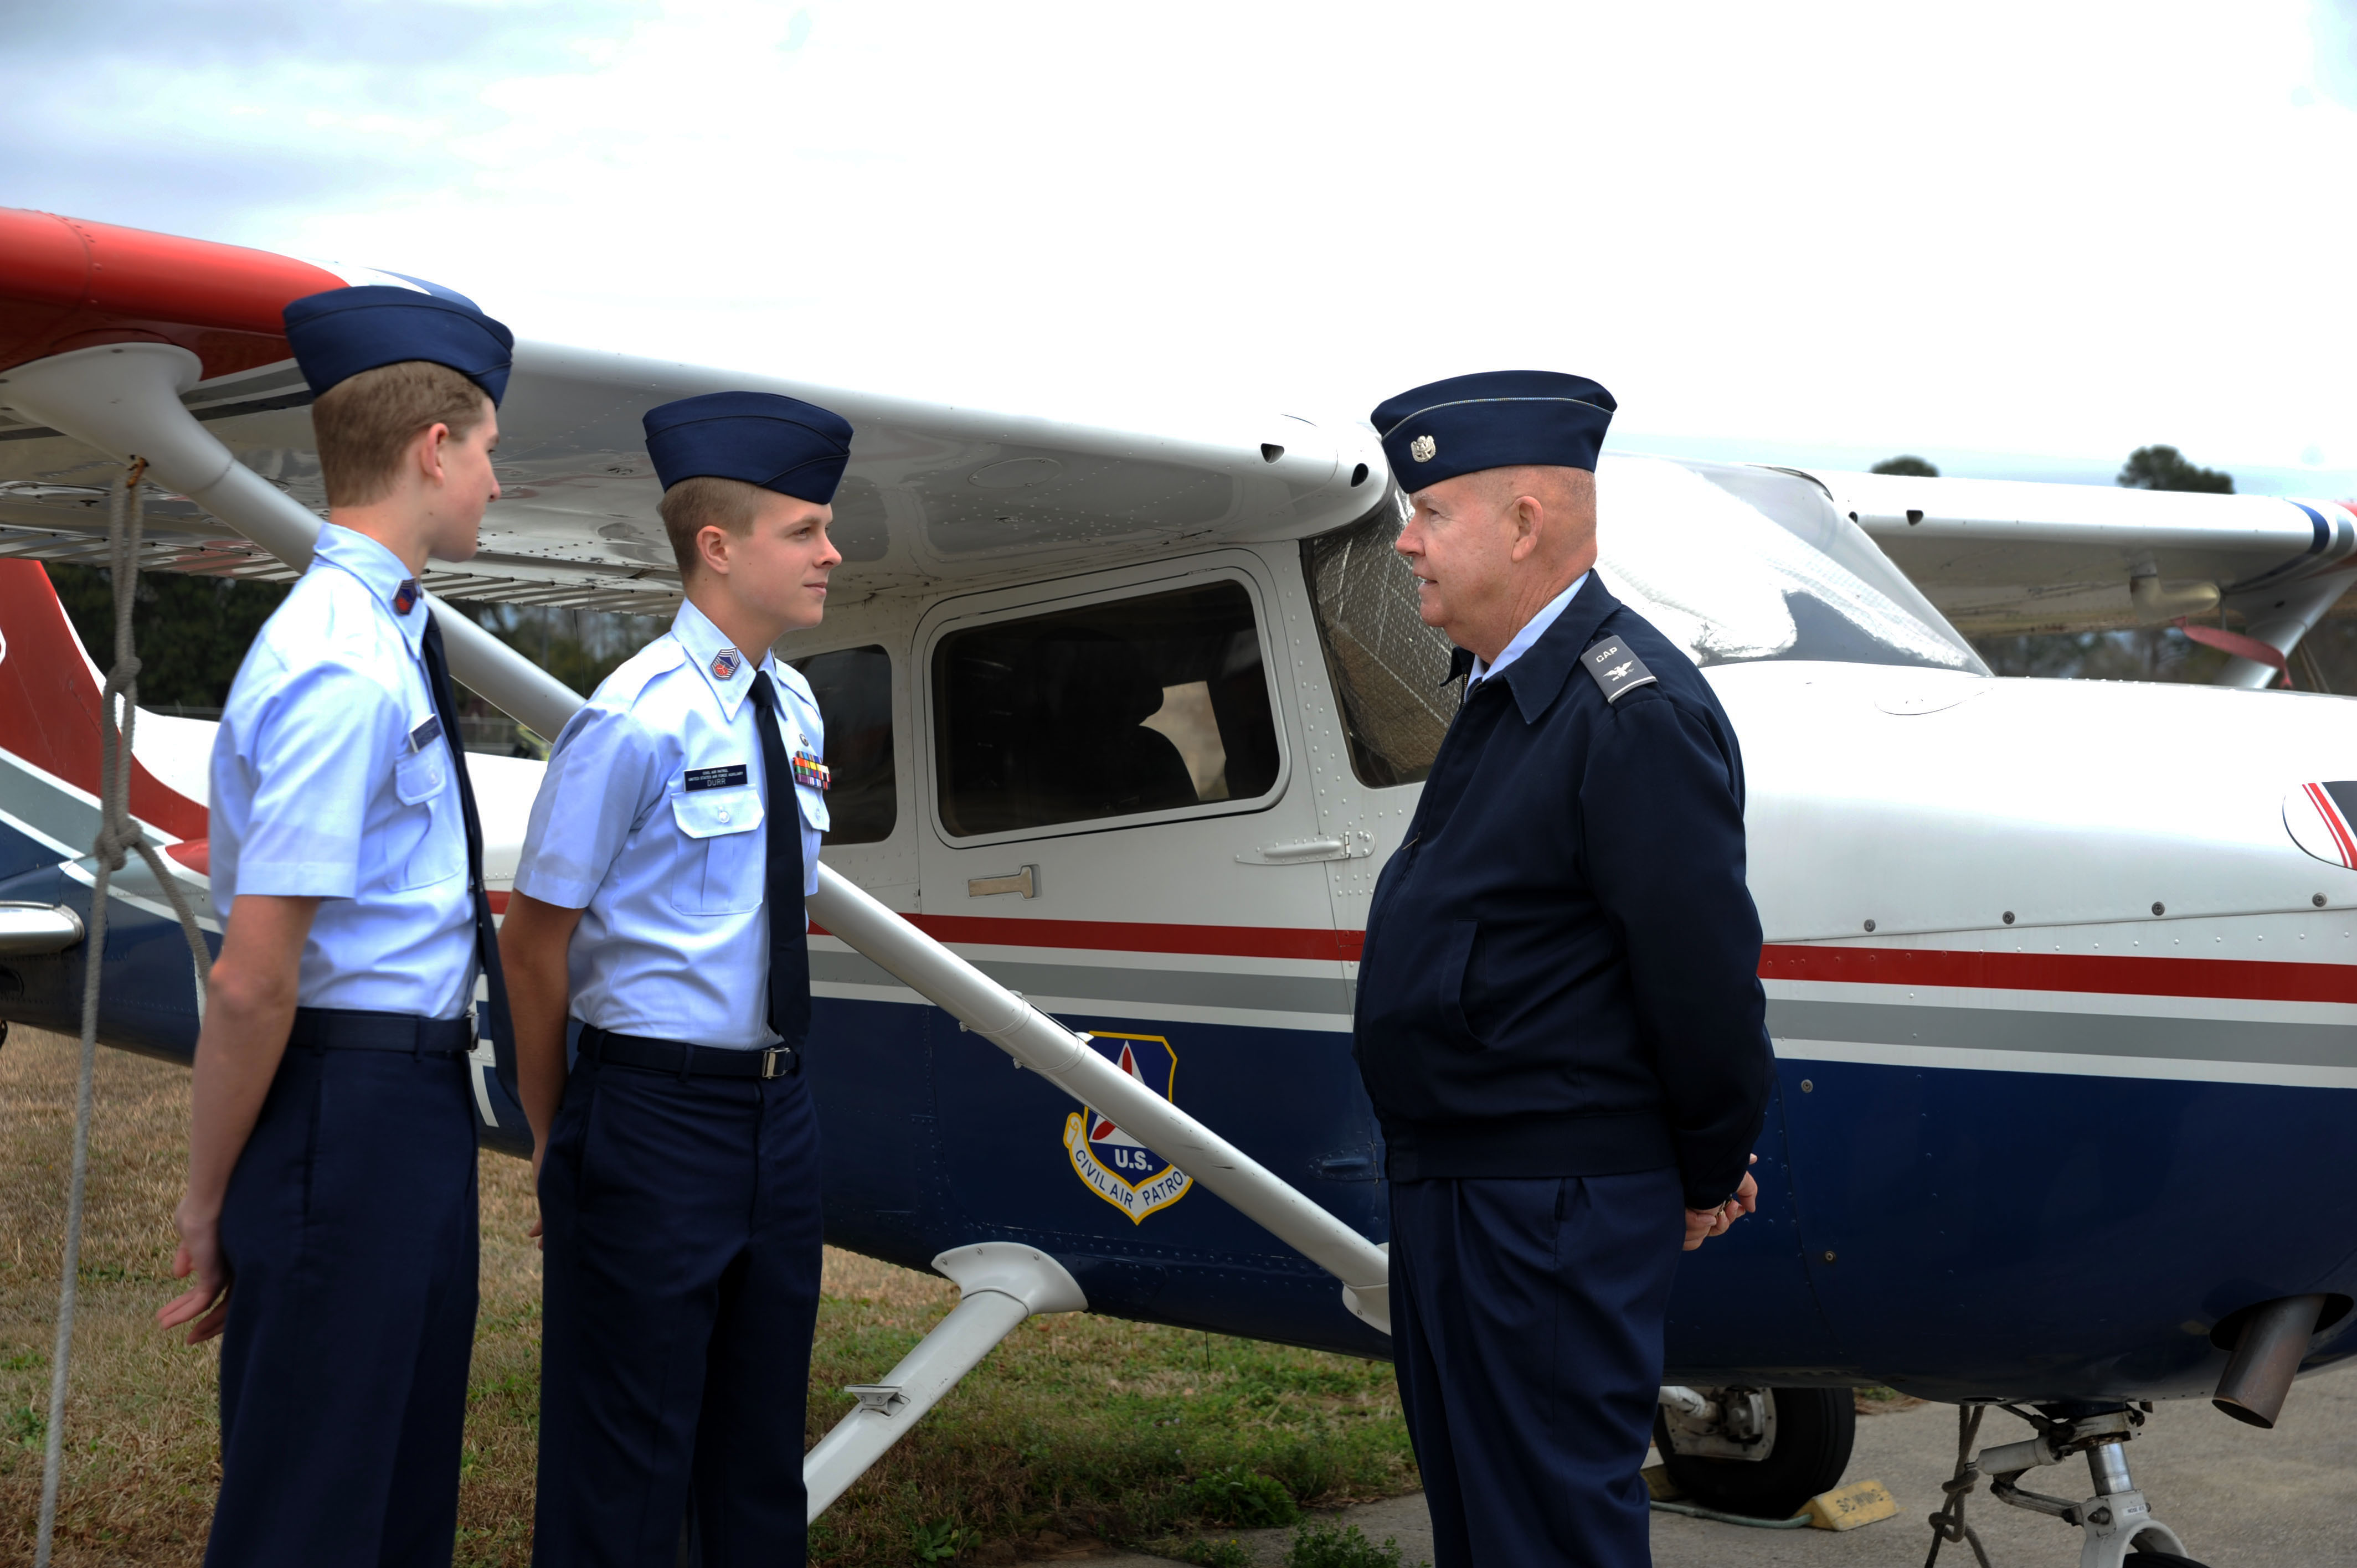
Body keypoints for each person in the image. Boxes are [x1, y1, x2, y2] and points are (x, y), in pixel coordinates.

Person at [1351, 370, 1775, 1567]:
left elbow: (1699, 975)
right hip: (1464, 1185)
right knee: (1487, 1528)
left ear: (1523, 524)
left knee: (1548, 1530)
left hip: (1545, 1201)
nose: (1405, 538)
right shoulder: (1507, 692)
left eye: (1430, 512)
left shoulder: (1627, 711)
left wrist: (1705, 1161)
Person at [156, 285, 518, 1567]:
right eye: (486, 450)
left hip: (407, 1107)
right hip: (340, 1110)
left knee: (398, 1492)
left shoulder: (383, 636)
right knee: (312, 1505)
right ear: (434, 448)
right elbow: (255, 981)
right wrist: (210, 1202)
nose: (492, 480)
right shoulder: (335, 659)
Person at [500, 390, 848, 1567]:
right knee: (625, 1471)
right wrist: (562, 1136)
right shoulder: (631, 718)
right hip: (649, 1118)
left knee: (758, 1464)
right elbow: (534, 940)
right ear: (718, 545)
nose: (830, 553)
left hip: (778, 1115)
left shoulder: (792, 704)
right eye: (805, 530)